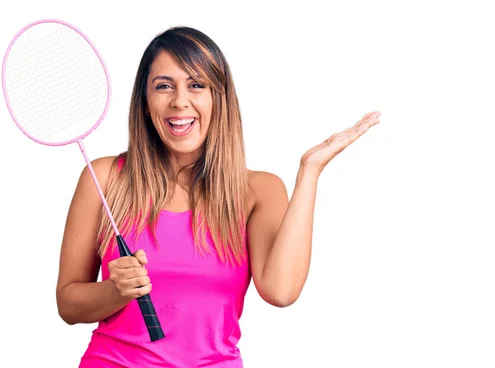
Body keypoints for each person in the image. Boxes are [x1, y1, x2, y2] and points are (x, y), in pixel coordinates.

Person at [55, 25, 381, 368]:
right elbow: (68, 304)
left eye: (197, 85)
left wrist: (309, 172)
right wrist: (114, 291)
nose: (180, 100)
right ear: (145, 101)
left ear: (219, 97)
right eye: (164, 86)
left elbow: (281, 291)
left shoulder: (260, 190)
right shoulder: (105, 178)